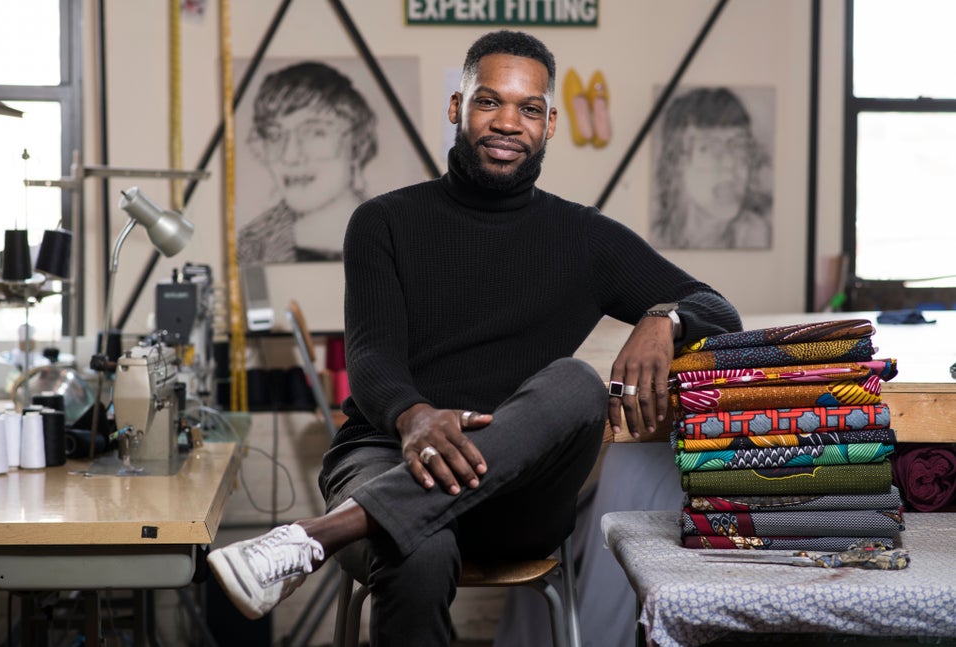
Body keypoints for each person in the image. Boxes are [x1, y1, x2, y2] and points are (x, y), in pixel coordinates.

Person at [208, 30, 742, 645]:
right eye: (490, 102)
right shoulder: (384, 221)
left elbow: (716, 308)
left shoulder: (585, 238)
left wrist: (663, 318)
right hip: (385, 454)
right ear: (458, 109)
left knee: (575, 384)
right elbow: (372, 355)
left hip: (517, 499)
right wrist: (413, 418)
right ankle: (368, 517)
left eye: (529, 108)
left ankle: (315, 538)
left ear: (549, 124)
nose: (509, 123)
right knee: (420, 551)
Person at [236, 61, 377, 264]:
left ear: (357, 143)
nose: (290, 156)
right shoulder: (250, 247)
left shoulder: (399, 234)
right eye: (275, 136)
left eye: (316, 133)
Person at [651, 87, 772, 249]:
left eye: (739, 146)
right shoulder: (653, 241)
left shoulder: (758, 236)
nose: (730, 163)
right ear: (678, 162)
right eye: (708, 148)